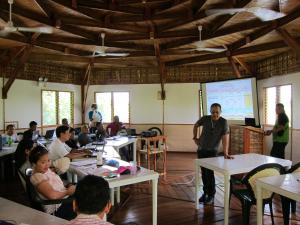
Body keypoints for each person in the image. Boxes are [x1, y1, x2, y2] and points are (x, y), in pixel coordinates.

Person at [193, 103, 233, 204]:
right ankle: (205, 193)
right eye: (213, 112)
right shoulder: (205, 118)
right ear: (210, 111)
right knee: (203, 173)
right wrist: (195, 138)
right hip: (201, 150)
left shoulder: (223, 122)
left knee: (209, 173)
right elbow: (196, 125)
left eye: (217, 112)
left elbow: (225, 137)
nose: (215, 114)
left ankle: (211, 195)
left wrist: (226, 152)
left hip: (212, 151)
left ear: (220, 112)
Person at [29, 145, 76, 220]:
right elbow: (53, 196)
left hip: (64, 201)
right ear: (34, 164)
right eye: (43, 162)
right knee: (90, 201)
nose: (47, 164)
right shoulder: (37, 176)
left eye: (48, 160)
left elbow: (56, 184)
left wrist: (68, 185)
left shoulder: (45, 170)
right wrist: (67, 192)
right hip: (59, 208)